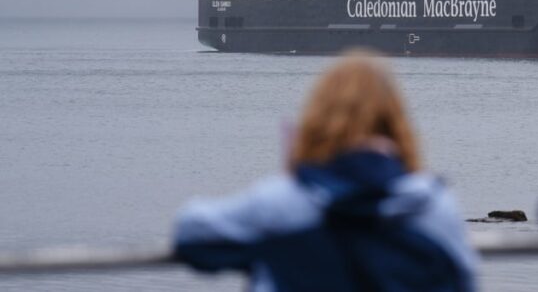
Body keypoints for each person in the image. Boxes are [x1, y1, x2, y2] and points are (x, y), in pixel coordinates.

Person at [173, 52, 477, 291]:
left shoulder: (282, 204)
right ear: (396, 122)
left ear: (316, 117)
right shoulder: (435, 207)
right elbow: (464, 282)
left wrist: (296, 177)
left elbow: (191, 232)